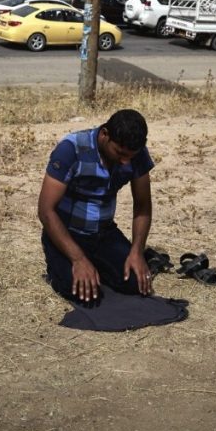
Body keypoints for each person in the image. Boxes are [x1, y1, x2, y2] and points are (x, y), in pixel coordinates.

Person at [37, 109, 154, 303]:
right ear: (104, 134)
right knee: (80, 293)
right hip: (68, 232)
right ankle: (67, 263)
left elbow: (143, 206)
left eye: (130, 157)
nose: (125, 161)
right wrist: (78, 259)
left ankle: (97, 265)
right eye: (120, 153)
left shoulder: (137, 155)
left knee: (136, 284)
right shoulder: (71, 149)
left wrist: (137, 251)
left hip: (104, 233)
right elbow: (46, 211)